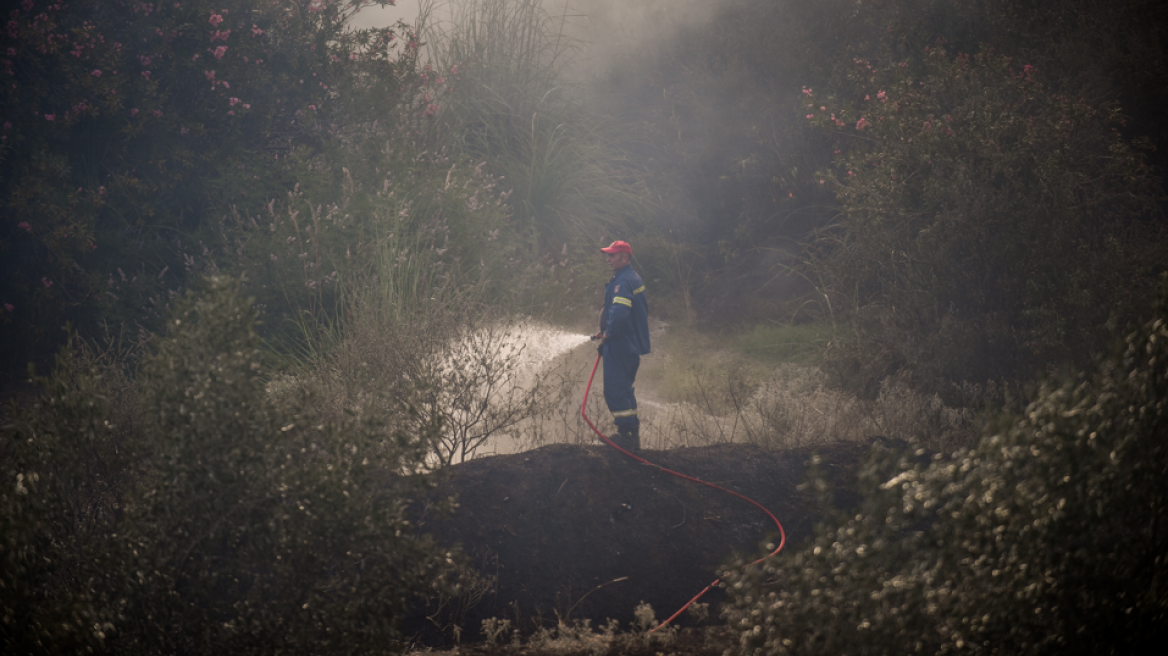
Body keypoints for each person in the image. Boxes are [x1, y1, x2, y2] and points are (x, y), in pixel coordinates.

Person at [594, 240, 650, 451]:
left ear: (624, 258)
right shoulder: (628, 278)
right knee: (623, 390)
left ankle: (627, 437)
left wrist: (608, 334)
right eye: (608, 255)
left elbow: (619, 313)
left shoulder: (624, 282)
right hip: (624, 344)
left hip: (621, 344)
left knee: (616, 390)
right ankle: (630, 436)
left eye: (612, 255)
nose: (608, 259)